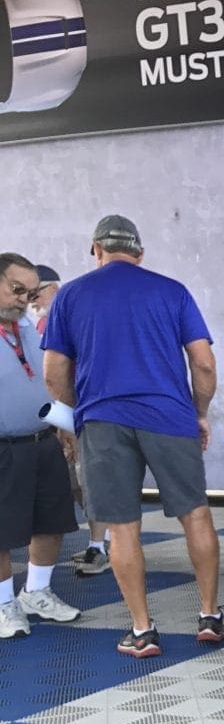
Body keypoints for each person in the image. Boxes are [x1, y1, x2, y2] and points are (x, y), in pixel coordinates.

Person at [42, 215, 224, 657]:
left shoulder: (70, 296)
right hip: (170, 417)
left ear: (96, 249)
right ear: (140, 254)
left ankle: (142, 631)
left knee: (122, 528)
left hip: (102, 420)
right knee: (195, 514)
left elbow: (53, 371)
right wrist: (199, 413)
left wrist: (79, 414)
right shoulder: (172, 291)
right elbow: (203, 363)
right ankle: (209, 616)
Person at [0, 252, 80, 639]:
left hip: (43, 440)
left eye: (31, 294)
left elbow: (47, 379)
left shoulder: (28, 327)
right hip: (3, 447)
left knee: (52, 520)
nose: (24, 300)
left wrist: (64, 427)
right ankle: (3, 605)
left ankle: (36, 592)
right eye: (17, 289)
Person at [32, 263, 110, 575]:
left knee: (91, 479)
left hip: (81, 410)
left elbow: (68, 373)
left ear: (54, 288)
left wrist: (71, 419)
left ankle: (100, 546)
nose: (31, 301)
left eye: (36, 294)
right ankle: (100, 541)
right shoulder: (41, 325)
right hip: (57, 414)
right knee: (75, 482)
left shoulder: (74, 319)